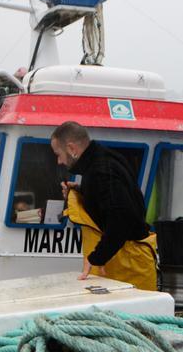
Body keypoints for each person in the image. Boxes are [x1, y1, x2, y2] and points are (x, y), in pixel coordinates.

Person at [50, 121, 158, 290]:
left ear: (72, 149)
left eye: (58, 154)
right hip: (127, 258)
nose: (59, 161)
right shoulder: (105, 159)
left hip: (129, 263)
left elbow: (122, 219)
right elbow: (116, 197)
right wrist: (80, 190)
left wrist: (96, 258)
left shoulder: (100, 171)